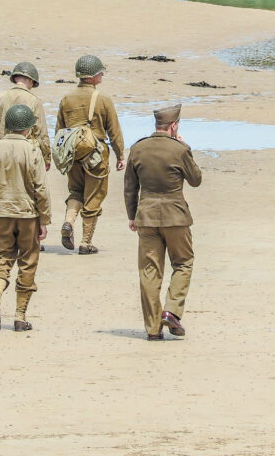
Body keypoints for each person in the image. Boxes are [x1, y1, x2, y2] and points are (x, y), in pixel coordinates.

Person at [124, 103, 203, 340]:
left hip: (146, 216)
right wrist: (185, 146)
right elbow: (196, 179)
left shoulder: (138, 148)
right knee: (184, 262)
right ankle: (171, 311)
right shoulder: (179, 149)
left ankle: (152, 329)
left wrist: (132, 215)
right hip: (176, 216)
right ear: (174, 125)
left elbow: (130, 186)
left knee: (149, 272)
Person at [0, 104, 51, 333]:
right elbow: (41, 189)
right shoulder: (32, 151)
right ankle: (20, 316)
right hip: (28, 215)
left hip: (0, 214)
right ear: (28, 129)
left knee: (1, 258)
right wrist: (44, 220)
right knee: (28, 262)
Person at [56, 54, 124, 254]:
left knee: (76, 192)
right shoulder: (103, 99)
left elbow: (59, 132)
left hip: (73, 154)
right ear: (93, 76)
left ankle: (69, 221)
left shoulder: (66, 99)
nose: (102, 74)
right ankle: (86, 243)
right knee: (94, 197)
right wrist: (120, 155)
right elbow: (114, 131)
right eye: (100, 72)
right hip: (96, 155)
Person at [0, 62, 51, 171]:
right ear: (31, 81)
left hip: (1, 152)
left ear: (15, 78)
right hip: (25, 155)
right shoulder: (34, 101)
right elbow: (41, 133)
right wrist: (46, 159)